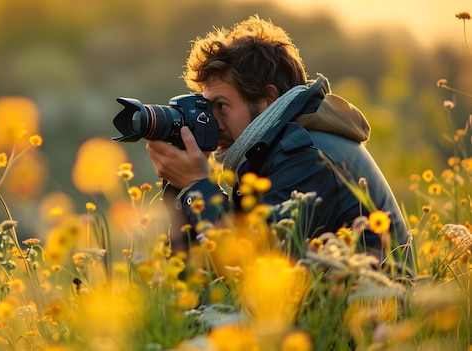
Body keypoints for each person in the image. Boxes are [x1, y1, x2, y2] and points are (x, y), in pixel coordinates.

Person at [144, 15, 414, 276]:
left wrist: (197, 186)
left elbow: (260, 272)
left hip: (374, 318)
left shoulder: (307, 156)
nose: (212, 122)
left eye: (222, 106)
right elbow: (195, 274)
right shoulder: (269, 152)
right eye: (207, 107)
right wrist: (180, 188)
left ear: (267, 99)